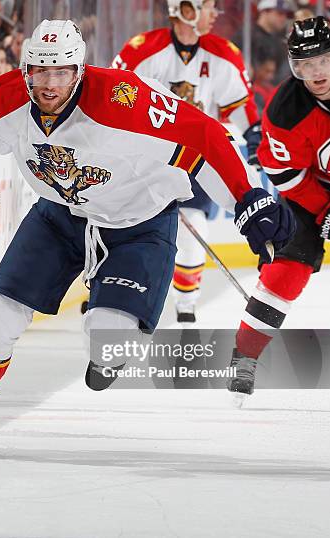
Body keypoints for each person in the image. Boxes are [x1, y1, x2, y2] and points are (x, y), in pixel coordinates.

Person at [0, 19, 294, 456]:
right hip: (60, 215)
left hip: (139, 224)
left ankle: (109, 338)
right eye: (38, 70)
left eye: (61, 72)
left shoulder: (124, 100)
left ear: (80, 70)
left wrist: (247, 198)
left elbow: (206, 135)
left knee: (106, 339)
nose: (48, 84)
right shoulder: (8, 95)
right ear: (26, 67)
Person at [111, 0, 261, 324]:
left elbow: (242, 108)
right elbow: (112, 99)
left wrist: (254, 138)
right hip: (146, 157)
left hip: (194, 157)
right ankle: (109, 293)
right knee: (126, 230)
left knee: (194, 230)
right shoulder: (141, 51)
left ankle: (186, 304)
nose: (214, 14)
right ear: (187, 10)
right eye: (207, 7)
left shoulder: (223, 53)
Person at [227, 16, 330, 400]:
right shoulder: (285, 110)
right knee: (291, 263)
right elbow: (284, 173)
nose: (316, 72)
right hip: (309, 192)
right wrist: (327, 212)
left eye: (323, 60)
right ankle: (245, 354)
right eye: (305, 65)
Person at [234, 0, 294, 86]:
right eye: (280, 13)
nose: (283, 19)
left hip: (270, 90)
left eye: (286, 15)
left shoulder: (278, 41)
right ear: (265, 12)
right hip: (249, 89)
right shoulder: (247, 34)